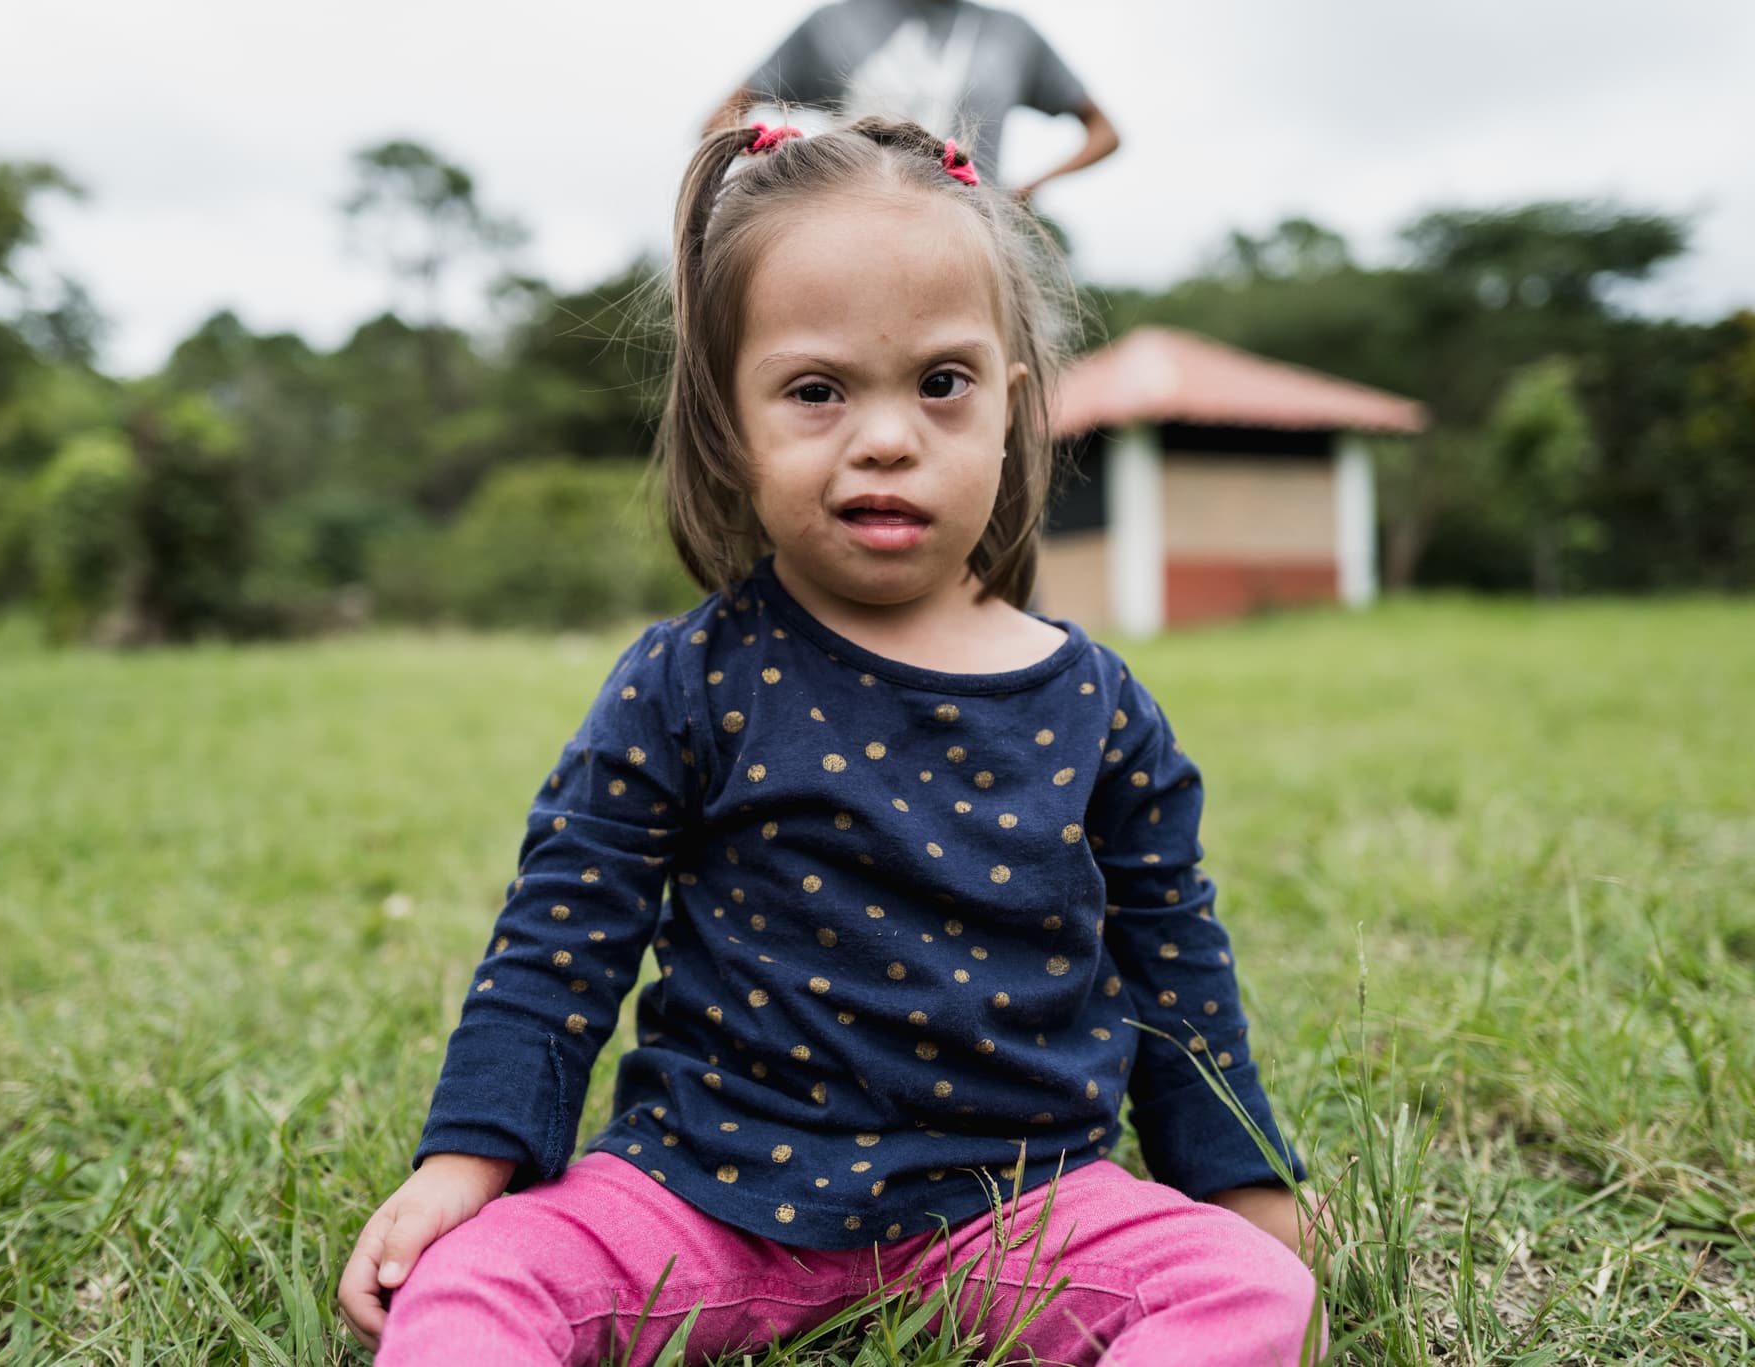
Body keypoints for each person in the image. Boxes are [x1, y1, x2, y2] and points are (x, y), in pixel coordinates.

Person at [338, 117, 1322, 1366]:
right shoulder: (687, 681)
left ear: (1012, 408)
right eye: (815, 390)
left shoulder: (1097, 708)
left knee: (1248, 1291)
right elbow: (561, 936)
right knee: (472, 1285)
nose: (886, 436)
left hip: (1017, 1205)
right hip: (699, 1194)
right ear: (728, 422)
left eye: (940, 383)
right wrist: (463, 1163)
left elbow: (1175, 972)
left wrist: (1242, 1185)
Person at [708, 0, 1119, 202]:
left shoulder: (1013, 35)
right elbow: (722, 118)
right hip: (855, 234)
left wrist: (1026, 190)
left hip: (980, 246)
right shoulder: (833, 24)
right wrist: (782, 174)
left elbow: (1104, 131)